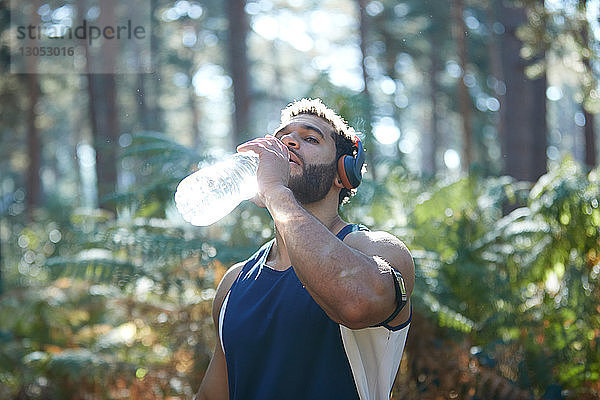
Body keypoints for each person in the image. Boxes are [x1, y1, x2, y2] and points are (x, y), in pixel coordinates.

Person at [195, 98, 414, 400]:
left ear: (343, 174)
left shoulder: (375, 249)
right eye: (282, 138)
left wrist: (276, 192)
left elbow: (356, 303)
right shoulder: (234, 283)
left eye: (310, 138)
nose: (289, 144)